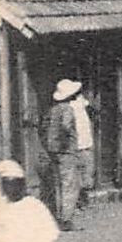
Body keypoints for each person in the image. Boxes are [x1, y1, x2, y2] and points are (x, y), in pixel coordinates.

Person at [43, 79, 82, 229]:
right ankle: (66, 219)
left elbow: (45, 126)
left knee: (59, 183)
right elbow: (66, 126)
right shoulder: (68, 109)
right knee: (69, 184)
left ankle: (60, 215)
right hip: (66, 151)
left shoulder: (54, 109)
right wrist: (65, 143)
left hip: (54, 151)